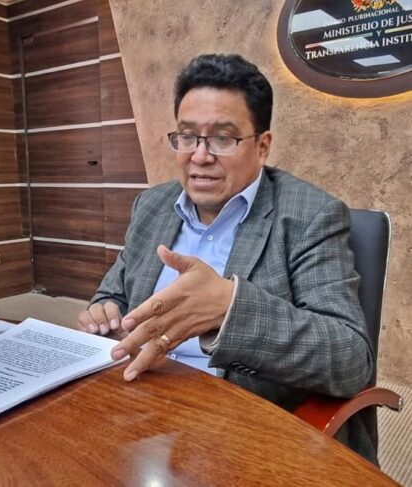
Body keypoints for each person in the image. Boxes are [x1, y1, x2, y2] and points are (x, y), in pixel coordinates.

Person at [75, 53, 375, 462]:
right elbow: (114, 292)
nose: (199, 156)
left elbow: (350, 357)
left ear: (262, 146)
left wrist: (230, 309)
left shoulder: (310, 215)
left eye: (222, 139)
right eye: (187, 136)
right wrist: (103, 311)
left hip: (239, 428)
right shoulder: (152, 205)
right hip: (139, 406)